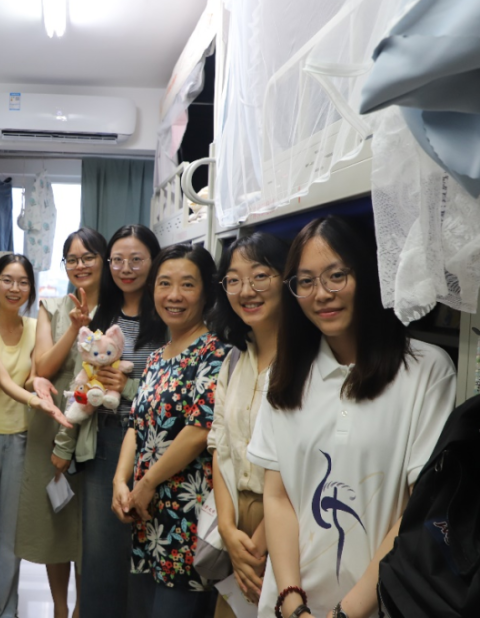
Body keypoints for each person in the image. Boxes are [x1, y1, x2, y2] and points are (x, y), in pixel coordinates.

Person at [248, 216, 456, 618]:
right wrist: (292, 603)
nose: (321, 294)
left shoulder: (426, 371)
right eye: (305, 282)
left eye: (336, 276)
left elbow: (419, 508)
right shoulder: (285, 375)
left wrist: (346, 612)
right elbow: (278, 497)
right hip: (289, 604)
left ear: (369, 274)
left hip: (378, 604)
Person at [51, 224, 166, 617]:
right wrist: (65, 443)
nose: (125, 269)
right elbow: (82, 382)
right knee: (100, 557)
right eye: (118, 260)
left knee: (144, 553)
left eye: (136, 260)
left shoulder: (167, 314)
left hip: (154, 450)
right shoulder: (103, 314)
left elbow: (175, 387)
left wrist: (129, 386)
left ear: (154, 261)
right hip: (103, 442)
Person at [113, 242, 225, 618]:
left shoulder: (215, 353)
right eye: (164, 284)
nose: (174, 295)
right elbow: (137, 424)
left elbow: (199, 429)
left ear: (206, 292)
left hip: (185, 517)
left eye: (187, 285)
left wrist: (145, 484)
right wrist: (120, 481)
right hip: (146, 515)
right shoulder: (157, 357)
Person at [0, 253, 71, 618]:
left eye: (23, 282)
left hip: (23, 440)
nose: (14, 288)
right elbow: (4, 381)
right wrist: (36, 400)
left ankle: (5, 610)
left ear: (31, 288)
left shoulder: (37, 327)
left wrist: (38, 384)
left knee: (12, 537)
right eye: (7, 279)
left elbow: (33, 374)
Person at [18, 227, 106, 618]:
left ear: (103, 261)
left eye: (88, 257)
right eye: (72, 259)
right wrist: (74, 327)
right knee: (55, 517)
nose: (80, 265)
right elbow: (42, 368)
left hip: (99, 426)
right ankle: (59, 608)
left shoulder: (118, 310)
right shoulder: (51, 306)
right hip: (52, 423)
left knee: (91, 526)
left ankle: (84, 608)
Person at [206, 233, 289, 616]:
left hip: (284, 524)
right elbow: (219, 444)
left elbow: (304, 464)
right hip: (235, 520)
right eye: (234, 280)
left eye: (260, 276)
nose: (246, 291)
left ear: (286, 278)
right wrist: (227, 528)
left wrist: (257, 547)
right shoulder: (235, 360)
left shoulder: (307, 363)